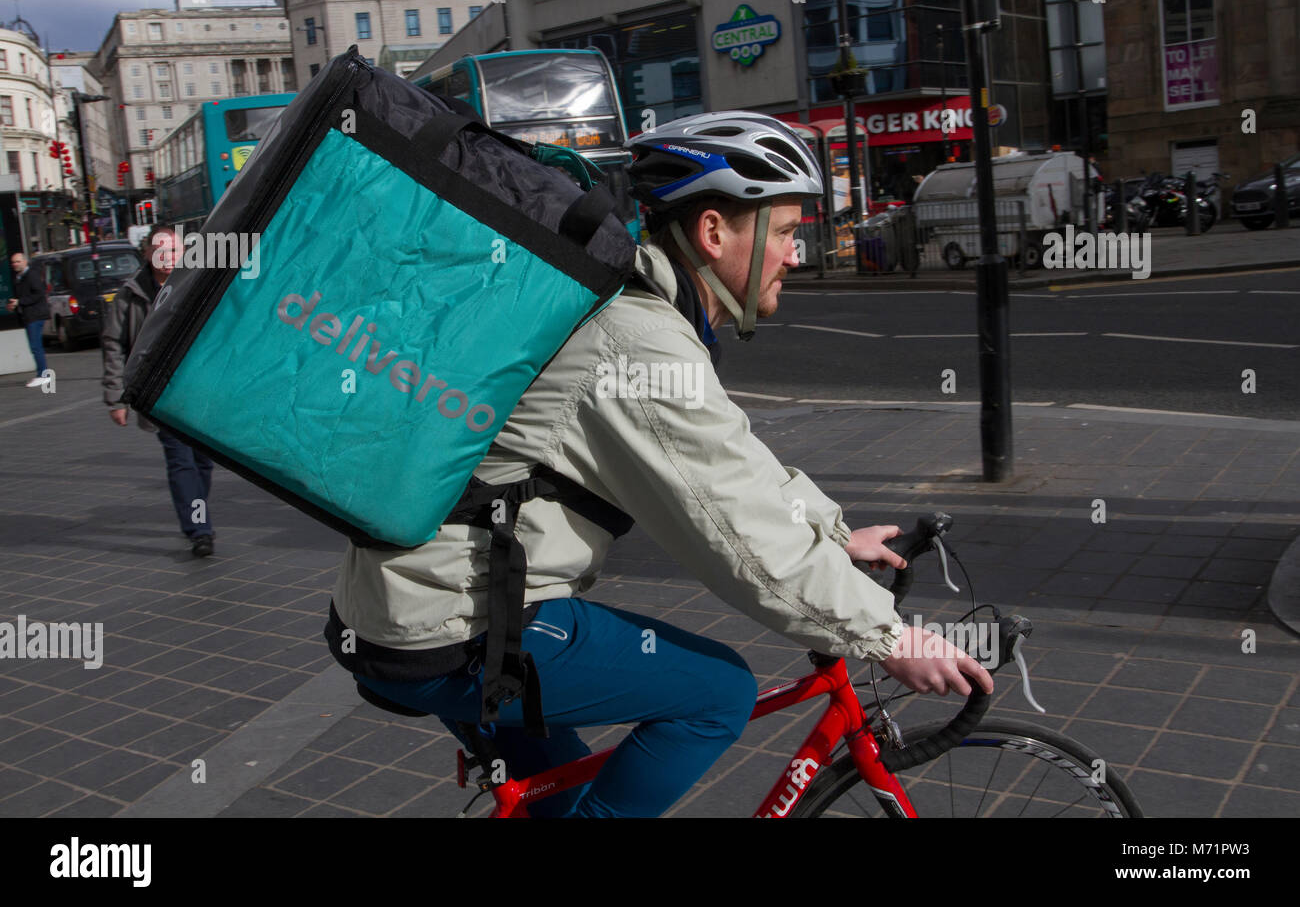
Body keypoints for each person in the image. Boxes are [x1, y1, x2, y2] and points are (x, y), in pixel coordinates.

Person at [327, 111, 993, 817]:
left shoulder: (637, 314)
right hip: (454, 625)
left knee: (565, 799)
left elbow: (728, 464)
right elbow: (732, 529)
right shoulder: (637, 344)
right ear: (714, 233)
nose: (797, 255)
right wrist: (885, 636)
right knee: (718, 694)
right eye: (789, 232)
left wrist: (828, 534)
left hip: (414, 606)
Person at [102, 227, 217, 558]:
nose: (169, 257)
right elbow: (113, 344)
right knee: (181, 461)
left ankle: (196, 510)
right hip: (159, 393)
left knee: (202, 462)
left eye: (175, 250)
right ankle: (199, 529)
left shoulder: (200, 281)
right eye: (161, 250)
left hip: (198, 389)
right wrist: (116, 397)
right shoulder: (130, 294)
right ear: (148, 254)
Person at [6, 252, 52, 388]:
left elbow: (39, 293)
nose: (15, 264)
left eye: (18, 261)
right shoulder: (19, 277)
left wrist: (20, 302)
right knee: (35, 346)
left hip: (35, 315)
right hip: (29, 315)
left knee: (36, 346)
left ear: (25, 262)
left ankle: (44, 375)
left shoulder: (31, 275)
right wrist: (14, 304)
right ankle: (42, 374)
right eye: (13, 262)